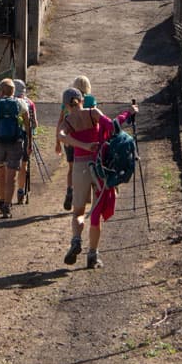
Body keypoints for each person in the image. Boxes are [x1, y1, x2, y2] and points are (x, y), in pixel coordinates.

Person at [56, 87, 136, 269]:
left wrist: (81, 144)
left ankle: (76, 239)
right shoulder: (93, 113)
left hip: (79, 167)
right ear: (82, 99)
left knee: (78, 211)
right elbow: (113, 126)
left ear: (66, 104)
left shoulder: (68, 121)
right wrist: (128, 113)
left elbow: (61, 137)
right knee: (96, 213)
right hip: (100, 166)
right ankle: (93, 254)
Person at [0, 78, 32, 218]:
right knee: (11, 176)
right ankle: (7, 205)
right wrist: (29, 142)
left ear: (1, 91)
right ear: (13, 91)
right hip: (15, 142)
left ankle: (1, 200)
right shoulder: (21, 103)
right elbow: (27, 125)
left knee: (1, 173)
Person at [55, 75, 96, 211]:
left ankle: (69, 190)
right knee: (89, 167)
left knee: (72, 168)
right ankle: (86, 196)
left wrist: (57, 142)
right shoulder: (89, 100)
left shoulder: (67, 101)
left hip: (70, 139)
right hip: (85, 139)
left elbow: (61, 121)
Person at [13, 78, 38, 205]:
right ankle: (21, 191)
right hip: (25, 136)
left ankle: (6, 196)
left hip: (10, 138)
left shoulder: (7, 102)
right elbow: (34, 124)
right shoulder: (29, 103)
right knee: (24, 165)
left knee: (9, 166)